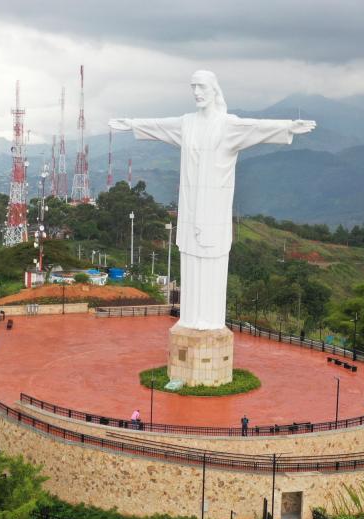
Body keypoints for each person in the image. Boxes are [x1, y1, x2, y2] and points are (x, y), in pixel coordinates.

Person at [110, 71, 315, 331]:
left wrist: (288, 127)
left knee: (212, 263)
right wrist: (132, 124)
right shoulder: (187, 124)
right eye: (193, 87)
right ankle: (189, 318)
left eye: (202, 87)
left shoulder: (228, 125)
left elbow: (257, 127)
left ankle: (211, 321)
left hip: (214, 210)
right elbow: (160, 126)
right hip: (190, 208)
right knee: (190, 260)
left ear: (214, 90)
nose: (197, 93)